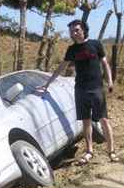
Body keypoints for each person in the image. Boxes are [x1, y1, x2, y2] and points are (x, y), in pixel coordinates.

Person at [38, 19, 119, 165]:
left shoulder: (95, 44)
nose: (74, 33)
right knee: (86, 121)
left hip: (96, 88)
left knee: (104, 120)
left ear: (84, 30)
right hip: (80, 89)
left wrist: (110, 82)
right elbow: (61, 67)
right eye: (71, 31)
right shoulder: (72, 50)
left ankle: (111, 151)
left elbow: (105, 64)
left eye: (76, 30)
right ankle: (89, 152)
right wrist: (47, 84)